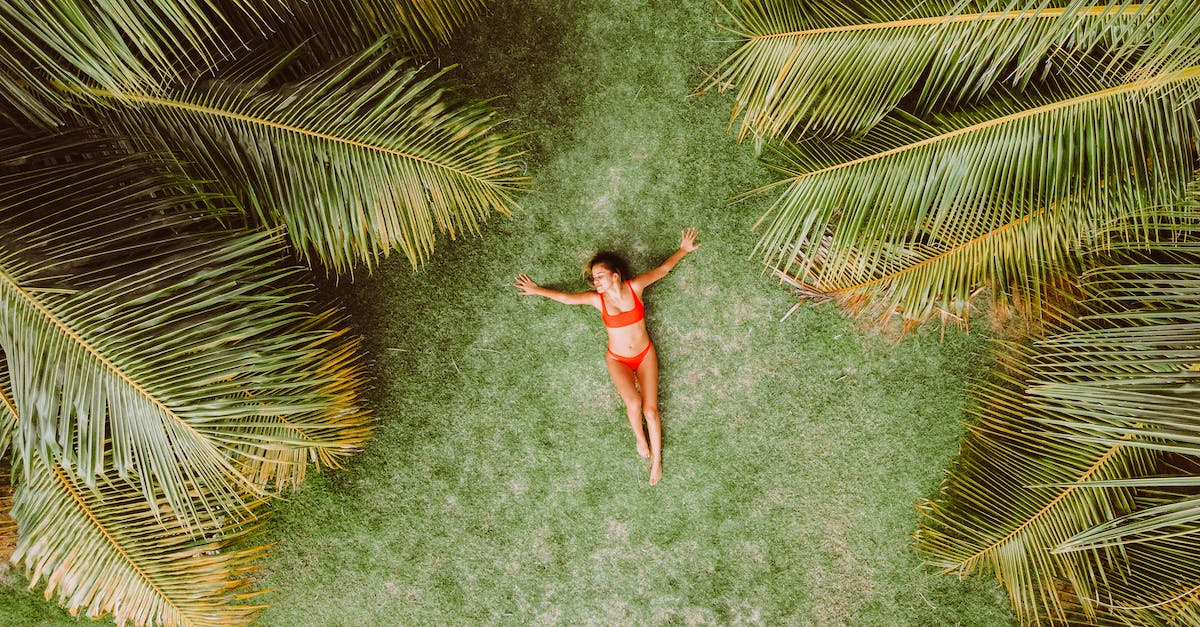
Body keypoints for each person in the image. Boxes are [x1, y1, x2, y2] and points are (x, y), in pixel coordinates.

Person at [514, 228, 700, 485]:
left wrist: (683, 250)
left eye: (600, 276)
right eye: (594, 278)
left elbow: (662, 270)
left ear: (616, 275)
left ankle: (656, 460)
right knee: (634, 404)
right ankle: (639, 438)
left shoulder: (635, 288)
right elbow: (567, 299)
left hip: (645, 355)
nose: (597, 281)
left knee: (651, 410)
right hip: (618, 359)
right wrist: (537, 290)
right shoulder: (597, 300)